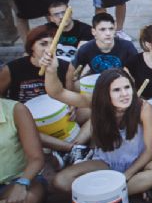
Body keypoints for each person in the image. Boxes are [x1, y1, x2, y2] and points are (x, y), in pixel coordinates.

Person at [44, 63, 152, 198]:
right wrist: (51, 70)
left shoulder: (143, 107)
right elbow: (57, 93)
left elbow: (151, 149)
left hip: (139, 161)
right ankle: (131, 189)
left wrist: (127, 175)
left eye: (127, 87)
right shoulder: (96, 102)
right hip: (105, 162)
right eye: (116, 90)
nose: (124, 94)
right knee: (61, 181)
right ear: (105, 92)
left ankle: (105, 195)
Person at [0, 25, 91, 160]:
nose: (49, 48)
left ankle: (71, 146)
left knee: (96, 112)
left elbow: (69, 94)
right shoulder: (13, 68)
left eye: (52, 43)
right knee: (23, 128)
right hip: (27, 117)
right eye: (43, 44)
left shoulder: (65, 66)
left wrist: (73, 106)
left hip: (58, 115)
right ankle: (71, 149)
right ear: (31, 47)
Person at [0, 96, 46, 203]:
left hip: (16, 181)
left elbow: (36, 158)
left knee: (30, 197)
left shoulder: (15, 110)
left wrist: (22, 183)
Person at [69, 12, 138, 82]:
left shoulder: (127, 47)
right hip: (96, 84)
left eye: (111, 29)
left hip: (121, 84)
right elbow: (71, 72)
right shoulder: (85, 49)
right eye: (102, 29)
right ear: (93, 32)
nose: (108, 33)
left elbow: (137, 71)